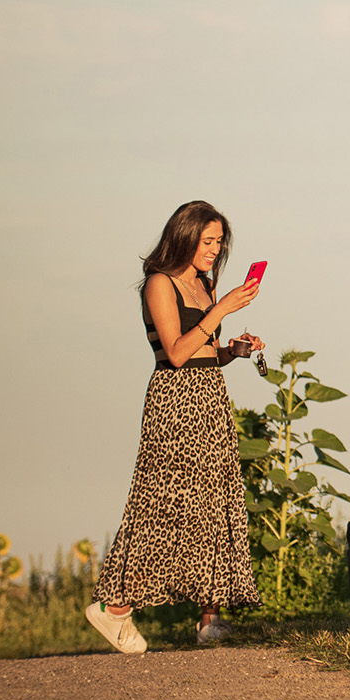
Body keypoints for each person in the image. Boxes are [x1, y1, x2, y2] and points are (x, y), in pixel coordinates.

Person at [88, 201, 266, 654]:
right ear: (185, 237)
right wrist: (222, 307)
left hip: (210, 395)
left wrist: (235, 350)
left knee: (214, 499)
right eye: (208, 241)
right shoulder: (159, 284)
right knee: (165, 502)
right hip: (175, 400)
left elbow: (204, 350)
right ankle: (115, 608)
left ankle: (210, 617)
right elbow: (176, 353)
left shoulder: (204, 284)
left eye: (220, 241)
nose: (215, 249)